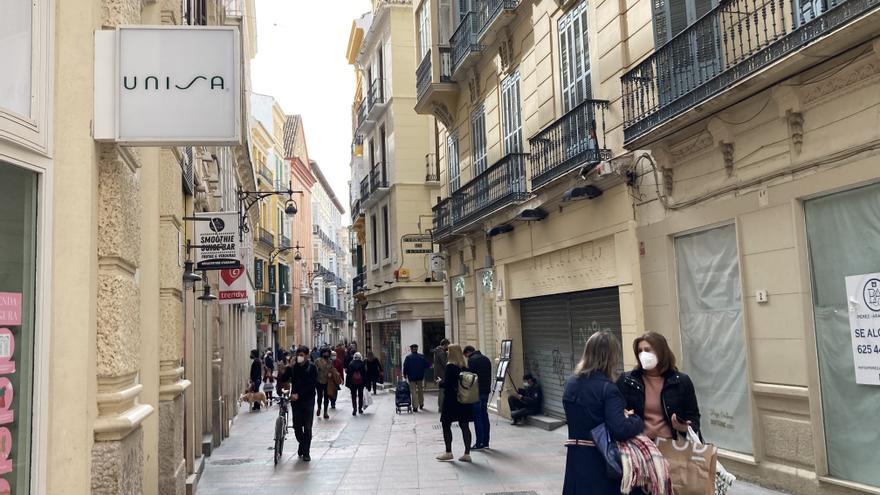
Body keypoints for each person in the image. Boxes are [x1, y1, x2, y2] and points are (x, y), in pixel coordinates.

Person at [562, 331, 644, 495]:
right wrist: (635, 419)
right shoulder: (608, 389)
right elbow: (619, 429)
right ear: (611, 357)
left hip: (575, 457)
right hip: (599, 460)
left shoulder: (571, 383)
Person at [617, 331, 701, 441]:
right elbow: (615, 412)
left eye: (647, 350)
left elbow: (694, 418)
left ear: (661, 352)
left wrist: (682, 427)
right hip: (638, 446)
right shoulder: (627, 380)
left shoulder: (681, 381)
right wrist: (624, 415)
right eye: (639, 351)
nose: (643, 354)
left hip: (670, 446)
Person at [276, 345, 318, 461]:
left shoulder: (312, 368)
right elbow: (283, 379)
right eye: (298, 355)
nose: (299, 357)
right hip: (296, 402)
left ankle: (306, 452)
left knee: (308, 427)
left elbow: (312, 385)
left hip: (308, 400)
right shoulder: (293, 368)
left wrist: (299, 394)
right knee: (297, 427)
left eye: (302, 355)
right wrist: (285, 369)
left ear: (307, 356)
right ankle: (303, 445)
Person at [436, 344, 474, 463]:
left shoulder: (450, 366)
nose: (447, 352)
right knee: (464, 426)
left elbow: (447, 384)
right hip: (464, 400)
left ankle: (448, 452)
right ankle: (467, 453)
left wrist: (440, 382)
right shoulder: (465, 366)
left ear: (451, 353)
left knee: (446, 424)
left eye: (448, 351)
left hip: (451, 401)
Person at [463, 346, 492, 449]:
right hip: (486, 390)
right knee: (484, 415)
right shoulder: (486, 359)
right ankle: (486, 442)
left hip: (477, 392)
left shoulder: (472, 360)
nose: (466, 358)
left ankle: (479, 442)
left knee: (477, 416)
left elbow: (470, 377)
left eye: (466, 355)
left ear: (468, 352)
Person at [403, 344, 429, 412]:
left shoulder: (408, 357)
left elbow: (405, 367)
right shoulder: (422, 356)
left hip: (411, 377)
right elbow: (427, 365)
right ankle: (421, 403)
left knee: (413, 391)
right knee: (420, 390)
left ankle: (415, 406)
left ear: (411, 349)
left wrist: (405, 374)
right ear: (417, 349)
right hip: (420, 376)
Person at [314, 347, 334, 419]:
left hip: (327, 381)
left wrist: (331, 374)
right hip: (319, 381)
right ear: (322, 353)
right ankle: (319, 407)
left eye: (327, 352)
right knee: (319, 396)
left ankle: (325, 412)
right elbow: (314, 371)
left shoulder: (330, 361)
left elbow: (332, 369)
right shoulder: (317, 361)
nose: (326, 354)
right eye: (324, 352)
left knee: (326, 397)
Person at [345, 352, 367, 416]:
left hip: (353, 382)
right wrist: (365, 383)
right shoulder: (362, 364)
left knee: (353, 395)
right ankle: (360, 408)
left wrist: (348, 384)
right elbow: (364, 374)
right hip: (361, 382)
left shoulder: (351, 364)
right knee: (360, 395)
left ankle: (354, 409)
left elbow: (348, 375)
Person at [432, 339, 450, 409]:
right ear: (444, 345)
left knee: (441, 390)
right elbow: (445, 364)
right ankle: (441, 407)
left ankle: (440, 406)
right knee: (442, 391)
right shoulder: (441, 353)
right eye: (448, 345)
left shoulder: (437, 351)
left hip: (439, 374)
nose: (448, 347)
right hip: (442, 374)